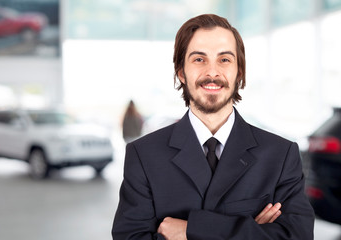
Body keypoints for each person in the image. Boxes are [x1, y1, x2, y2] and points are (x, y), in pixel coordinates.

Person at [112, 14, 314, 240]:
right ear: (181, 72)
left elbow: (298, 236)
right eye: (199, 59)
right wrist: (252, 231)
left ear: (240, 72)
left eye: (224, 60)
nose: (212, 72)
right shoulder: (144, 155)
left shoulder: (280, 155)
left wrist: (190, 230)